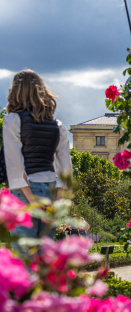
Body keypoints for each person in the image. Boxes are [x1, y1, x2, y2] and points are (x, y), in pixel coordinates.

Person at [3, 70, 72, 244]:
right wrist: (56, 204)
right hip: (51, 190)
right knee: (44, 258)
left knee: (24, 254)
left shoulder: (13, 120)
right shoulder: (58, 125)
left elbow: (15, 169)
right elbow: (66, 169)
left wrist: (34, 203)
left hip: (25, 192)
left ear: (16, 92)